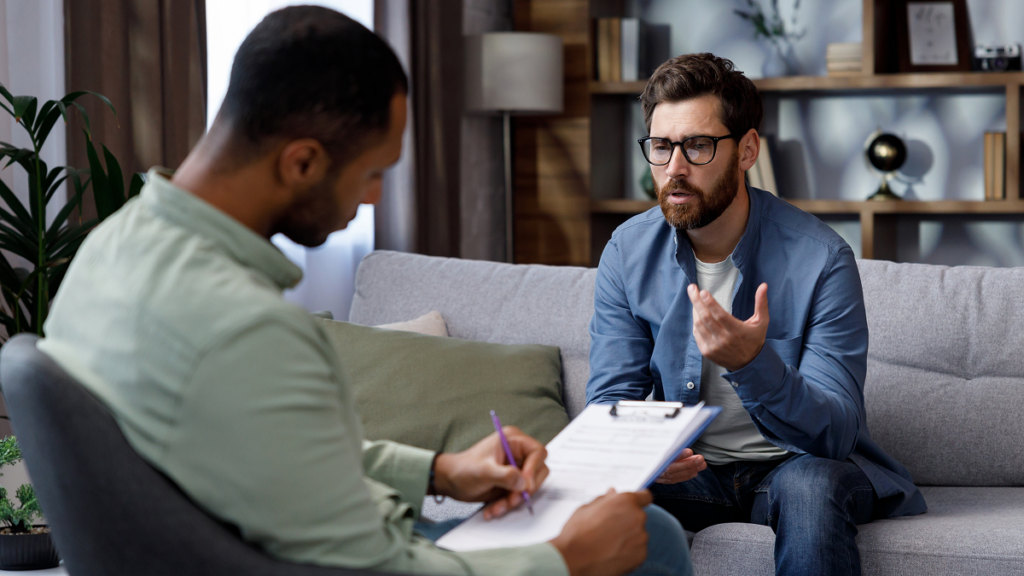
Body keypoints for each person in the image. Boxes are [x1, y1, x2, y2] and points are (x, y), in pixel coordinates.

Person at [38, 7, 694, 576]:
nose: (375, 195)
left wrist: (439, 471)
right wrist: (565, 560)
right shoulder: (247, 327)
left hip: (245, 538)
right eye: (373, 172)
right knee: (651, 538)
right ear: (301, 161)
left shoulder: (112, 249)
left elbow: (260, 443)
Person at [586, 53, 928, 576]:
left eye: (698, 146)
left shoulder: (821, 258)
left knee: (813, 486)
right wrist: (643, 452)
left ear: (746, 150)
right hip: (692, 472)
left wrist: (752, 363)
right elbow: (611, 402)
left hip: (795, 466)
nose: (674, 169)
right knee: (594, 489)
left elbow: (834, 435)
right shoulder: (627, 251)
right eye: (661, 147)